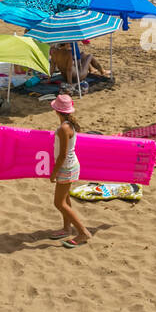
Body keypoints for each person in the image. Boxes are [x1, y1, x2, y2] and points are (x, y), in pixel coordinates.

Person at [48, 94, 91, 247]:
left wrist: (54, 173)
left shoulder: (63, 129)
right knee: (65, 199)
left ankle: (83, 232)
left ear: (56, 110)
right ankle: (67, 228)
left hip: (66, 167)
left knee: (59, 203)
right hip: (71, 166)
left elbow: (62, 154)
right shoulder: (70, 125)